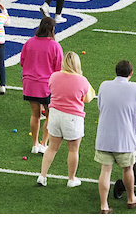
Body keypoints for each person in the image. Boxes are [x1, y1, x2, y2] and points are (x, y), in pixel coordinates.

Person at [95, 60, 136, 213]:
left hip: (104, 138)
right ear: (131, 73)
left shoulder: (103, 85)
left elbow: (101, 108)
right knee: (128, 169)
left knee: (105, 171)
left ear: (116, 71)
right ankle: (131, 198)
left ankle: (104, 206)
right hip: (125, 140)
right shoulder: (134, 88)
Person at [36, 51, 95, 188]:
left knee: (52, 147)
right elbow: (88, 98)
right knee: (73, 150)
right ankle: (71, 179)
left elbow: (51, 89)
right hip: (73, 117)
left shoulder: (54, 76)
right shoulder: (82, 80)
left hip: (55, 115)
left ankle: (42, 176)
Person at [20, 17, 63, 154]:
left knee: (35, 114)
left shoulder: (29, 42)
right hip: (46, 85)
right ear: (52, 29)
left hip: (29, 84)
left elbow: (22, 61)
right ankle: (44, 143)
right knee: (50, 115)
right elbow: (58, 68)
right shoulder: (54, 45)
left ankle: (35, 144)